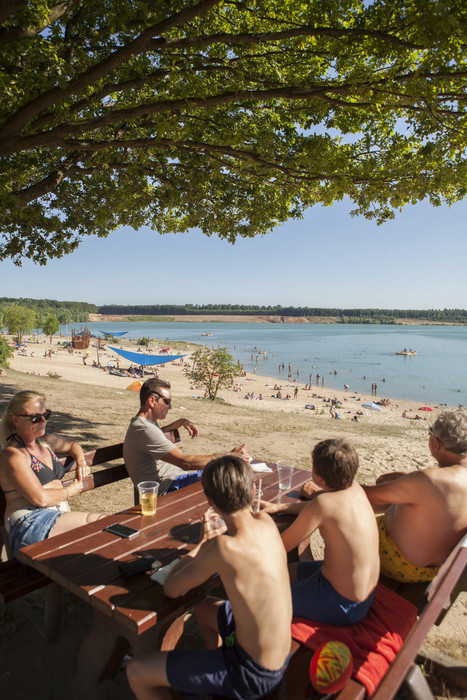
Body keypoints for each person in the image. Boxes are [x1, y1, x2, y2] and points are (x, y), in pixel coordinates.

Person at [126, 456, 292, 700]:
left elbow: (171, 588)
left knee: (136, 670)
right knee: (202, 610)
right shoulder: (265, 521)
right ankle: (211, 685)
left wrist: (203, 544)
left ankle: (220, 679)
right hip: (278, 655)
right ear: (253, 489)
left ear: (210, 501)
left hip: (251, 673)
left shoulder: (224, 548)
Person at [262, 439, 379, 625]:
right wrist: (277, 508)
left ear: (320, 478)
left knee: (263, 598)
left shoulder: (324, 505)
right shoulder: (355, 489)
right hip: (363, 593)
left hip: (342, 604)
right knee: (286, 570)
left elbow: (281, 546)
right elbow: (315, 509)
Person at [361, 409, 467, 583]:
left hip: (395, 563)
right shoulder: (449, 478)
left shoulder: (429, 480)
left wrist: (324, 488)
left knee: (343, 510)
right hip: (434, 570)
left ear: (436, 444)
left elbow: (367, 496)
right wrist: (406, 478)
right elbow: (440, 497)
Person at [0, 390, 104, 559]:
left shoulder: (46, 442)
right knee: (100, 523)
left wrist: (81, 461)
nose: (43, 421)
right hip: (30, 522)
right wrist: (72, 489)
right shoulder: (12, 455)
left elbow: (73, 445)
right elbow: (41, 499)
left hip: (55, 516)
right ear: (15, 420)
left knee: (101, 538)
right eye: (35, 417)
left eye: (46, 414)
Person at [123, 378, 249, 494]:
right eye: (167, 401)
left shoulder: (144, 425)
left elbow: (154, 435)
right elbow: (185, 463)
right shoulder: (144, 428)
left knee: (227, 477)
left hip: (175, 480)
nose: (170, 407)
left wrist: (179, 422)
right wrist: (231, 456)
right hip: (168, 489)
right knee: (227, 479)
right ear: (151, 401)